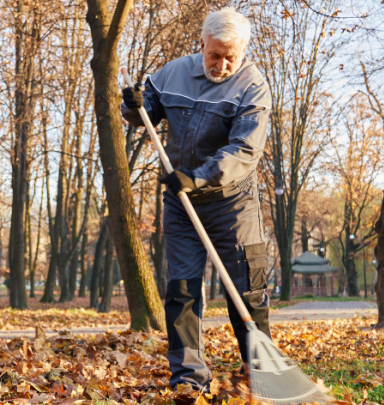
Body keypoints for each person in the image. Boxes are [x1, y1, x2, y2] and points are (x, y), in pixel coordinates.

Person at [121, 7, 272, 392]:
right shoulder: (172, 73)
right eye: (214, 54)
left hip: (231, 204)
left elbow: (244, 149)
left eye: (230, 57)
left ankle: (262, 375)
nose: (221, 64)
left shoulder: (252, 86)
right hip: (180, 205)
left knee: (247, 291)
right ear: (202, 43)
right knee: (182, 291)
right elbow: (145, 113)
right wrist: (133, 104)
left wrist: (199, 178)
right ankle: (189, 380)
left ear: (242, 53)